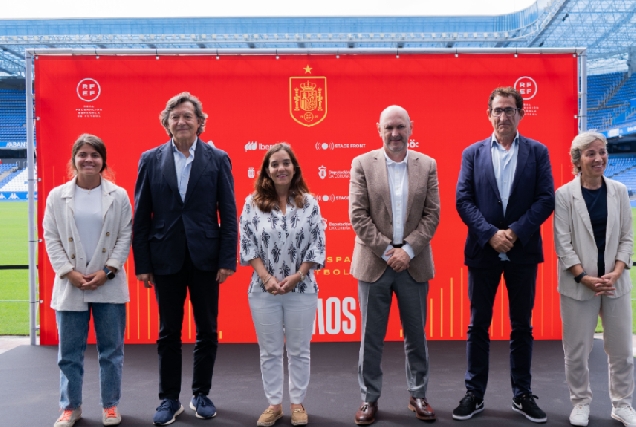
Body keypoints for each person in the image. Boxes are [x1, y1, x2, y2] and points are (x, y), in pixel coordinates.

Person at [132, 92, 238, 426]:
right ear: (166, 123)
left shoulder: (218, 159)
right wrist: (143, 264)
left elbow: (229, 214)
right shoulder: (150, 159)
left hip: (206, 258)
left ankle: (201, 393)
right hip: (165, 258)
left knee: (207, 329)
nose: (181, 121)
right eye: (175, 116)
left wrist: (227, 259)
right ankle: (169, 399)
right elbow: (142, 216)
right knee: (168, 333)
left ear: (200, 122)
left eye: (187, 116)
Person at [454, 86, 554, 423]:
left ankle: (522, 394)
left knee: (522, 326)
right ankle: (474, 393)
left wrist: (515, 232)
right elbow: (463, 200)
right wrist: (490, 234)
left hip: (523, 251)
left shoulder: (538, 152)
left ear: (521, 114)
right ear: (489, 115)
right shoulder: (472, 153)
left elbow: (545, 199)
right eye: (498, 110)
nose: (503, 116)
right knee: (478, 325)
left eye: (510, 110)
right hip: (483, 251)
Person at [349, 105, 440, 425]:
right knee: (371, 337)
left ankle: (418, 395)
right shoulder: (361, 163)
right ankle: (368, 398)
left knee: (416, 335)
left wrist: (408, 251)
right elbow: (357, 216)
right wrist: (390, 251)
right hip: (374, 263)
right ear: (379, 129)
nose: (395, 133)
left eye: (400, 127)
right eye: (389, 128)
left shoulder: (427, 164)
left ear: (411, 128)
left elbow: (432, 215)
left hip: (413, 265)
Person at [43, 134, 132, 427]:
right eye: (82, 154)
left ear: (103, 160)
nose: (88, 159)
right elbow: (51, 238)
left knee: (111, 351)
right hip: (71, 285)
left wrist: (107, 271)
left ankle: (110, 405)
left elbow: (124, 236)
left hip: (108, 283)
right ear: (74, 159)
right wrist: (69, 272)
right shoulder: (57, 196)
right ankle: (71, 407)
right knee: (69, 354)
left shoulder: (118, 195)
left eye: (94, 154)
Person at [239, 143, 326, 427]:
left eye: (286, 163)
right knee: (270, 351)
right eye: (274, 164)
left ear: (294, 167)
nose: (281, 168)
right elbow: (248, 245)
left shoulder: (310, 203)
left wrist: (298, 276)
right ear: (266, 170)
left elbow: (317, 245)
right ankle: (274, 404)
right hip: (263, 291)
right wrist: (266, 278)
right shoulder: (252, 203)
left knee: (299, 350)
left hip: (301, 289)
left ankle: (298, 403)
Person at [554, 131, 636, 427]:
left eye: (602, 152)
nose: (599, 158)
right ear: (577, 160)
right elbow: (562, 244)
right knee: (577, 351)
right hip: (579, 285)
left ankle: (622, 404)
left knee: (623, 351)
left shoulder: (618, 191)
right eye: (591, 153)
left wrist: (616, 270)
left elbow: (627, 238)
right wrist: (583, 276)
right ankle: (580, 402)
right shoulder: (564, 195)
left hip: (615, 282)